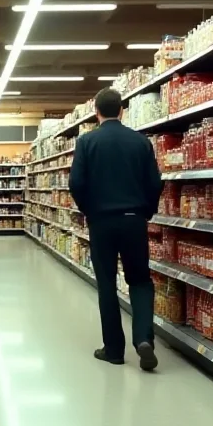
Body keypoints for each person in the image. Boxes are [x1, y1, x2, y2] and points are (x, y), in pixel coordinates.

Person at [68, 88, 163, 370]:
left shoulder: (87, 142)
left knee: (107, 283)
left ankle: (114, 350)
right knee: (140, 280)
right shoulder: (141, 142)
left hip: (101, 222)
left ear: (96, 112)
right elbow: (154, 183)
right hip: (134, 219)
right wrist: (146, 211)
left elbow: (76, 183)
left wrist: (89, 209)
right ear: (122, 110)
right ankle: (143, 338)